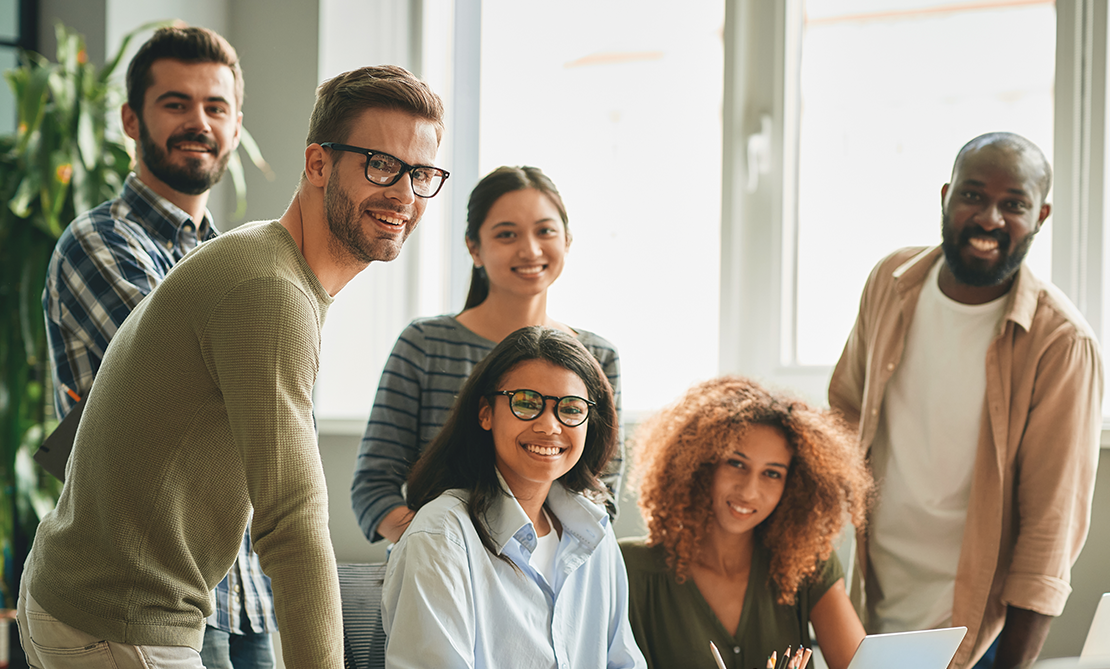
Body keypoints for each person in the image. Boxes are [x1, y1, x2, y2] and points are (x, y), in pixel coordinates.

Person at [17, 64, 447, 669]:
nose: (403, 193)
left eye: (421, 173)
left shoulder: (270, 264)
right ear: (319, 164)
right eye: (381, 164)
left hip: (101, 604)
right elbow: (293, 522)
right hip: (119, 620)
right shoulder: (270, 289)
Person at [40, 26, 277, 668]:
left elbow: (270, 410)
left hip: (248, 591)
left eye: (215, 107)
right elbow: (206, 394)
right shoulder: (98, 245)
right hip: (148, 596)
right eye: (175, 103)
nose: (198, 122)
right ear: (131, 119)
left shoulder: (234, 259)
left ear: (233, 125)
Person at [829, 132, 1103, 669]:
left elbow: (1048, 535)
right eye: (974, 195)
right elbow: (843, 412)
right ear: (945, 196)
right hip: (872, 603)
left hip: (979, 632)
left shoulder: (1061, 343)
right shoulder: (891, 282)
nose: (990, 219)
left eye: (1014, 205)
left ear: (1041, 216)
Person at [351, 165, 622, 544]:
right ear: (474, 248)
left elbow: (601, 496)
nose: (530, 249)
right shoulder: (424, 344)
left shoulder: (598, 357)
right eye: (507, 234)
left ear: (568, 241)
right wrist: (445, 551)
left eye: (545, 231)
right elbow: (372, 489)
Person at [381, 326, 645, 669]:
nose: (550, 426)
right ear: (485, 412)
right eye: (526, 403)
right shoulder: (441, 536)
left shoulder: (594, 531)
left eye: (571, 408)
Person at [620, 376, 871, 669]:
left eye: (772, 473)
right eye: (736, 464)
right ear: (702, 463)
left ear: (794, 486)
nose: (749, 491)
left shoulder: (807, 564)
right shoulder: (629, 569)